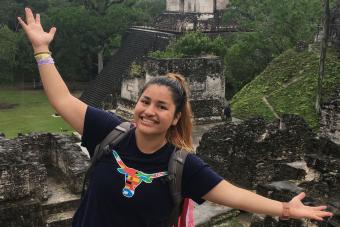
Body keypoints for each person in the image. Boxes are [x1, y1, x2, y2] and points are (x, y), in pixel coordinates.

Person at [18, 8, 333, 227]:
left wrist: (285, 208)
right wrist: (42, 50)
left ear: (174, 117)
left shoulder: (182, 166)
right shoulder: (108, 130)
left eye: (162, 107)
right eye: (145, 101)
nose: (149, 111)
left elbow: (234, 194)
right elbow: (62, 100)